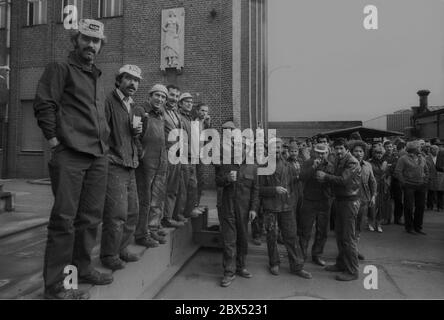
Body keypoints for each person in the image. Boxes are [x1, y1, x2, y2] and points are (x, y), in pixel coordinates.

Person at [34, 19, 112, 299]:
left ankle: (82, 268)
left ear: (101, 45)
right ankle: (56, 286)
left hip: (98, 155)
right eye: (86, 39)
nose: (91, 45)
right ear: (76, 40)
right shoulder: (60, 68)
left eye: (96, 41)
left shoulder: (98, 76)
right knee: (64, 221)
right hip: (71, 155)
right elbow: (44, 103)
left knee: (90, 218)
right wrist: (55, 141)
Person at [100, 65, 143, 271]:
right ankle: (109, 254)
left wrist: (137, 144)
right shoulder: (108, 101)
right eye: (129, 79)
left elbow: (131, 135)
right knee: (116, 214)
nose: (133, 83)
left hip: (130, 164)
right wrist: (108, 156)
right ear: (119, 80)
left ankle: (122, 248)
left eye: (137, 80)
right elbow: (101, 133)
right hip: (114, 164)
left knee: (132, 212)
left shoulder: (132, 105)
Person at [259, 138, 312, 279]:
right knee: (272, 237)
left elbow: (296, 182)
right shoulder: (263, 165)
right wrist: (274, 189)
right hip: (271, 207)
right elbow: (258, 189)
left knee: (291, 236)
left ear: (283, 148)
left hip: (287, 206)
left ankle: (296, 266)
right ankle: (274, 263)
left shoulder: (288, 164)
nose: (277, 150)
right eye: (273, 148)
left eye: (279, 147)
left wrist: (311, 166)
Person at [216, 139, 259, 287]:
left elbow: (255, 190)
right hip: (228, 208)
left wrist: (253, 208)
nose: (240, 150)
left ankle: (241, 267)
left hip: (244, 209)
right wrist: (227, 179)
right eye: (237, 147)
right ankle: (229, 272)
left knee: (243, 239)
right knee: (229, 241)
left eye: (244, 147)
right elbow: (217, 181)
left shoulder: (252, 167)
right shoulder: (226, 164)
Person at [317, 138, 361, 281]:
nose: (339, 151)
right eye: (336, 148)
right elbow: (332, 173)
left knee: (348, 238)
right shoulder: (338, 160)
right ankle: (341, 263)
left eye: (341, 148)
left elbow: (343, 180)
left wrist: (325, 176)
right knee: (340, 235)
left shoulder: (352, 161)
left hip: (350, 202)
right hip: (341, 200)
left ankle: (353, 271)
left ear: (346, 149)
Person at [135, 84, 169, 247]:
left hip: (160, 160)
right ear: (150, 95)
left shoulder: (161, 114)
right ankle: (141, 232)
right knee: (145, 198)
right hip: (146, 161)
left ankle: (153, 228)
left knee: (157, 195)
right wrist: (141, 153)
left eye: (163, 97)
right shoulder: (140, 111)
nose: (160, 99)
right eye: (157, 95)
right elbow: (134, 136)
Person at [298, 143, 334, 266]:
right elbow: (301, 177)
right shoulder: (308, 163)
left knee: (322, 231)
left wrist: (326, 178)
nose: (320, 155)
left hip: (324, 201)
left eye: (323, 153)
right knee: (305, 230)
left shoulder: (331, 165)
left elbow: (334, 183)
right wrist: (313, 167)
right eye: (318, 152)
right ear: (314, 152)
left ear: (327, 153)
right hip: (309, 200)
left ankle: (317, 255)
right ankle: (301, 255)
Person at [176, 93, 202, 219]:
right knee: (184, 186)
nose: (189, 104)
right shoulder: (178, 117)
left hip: (192, 156)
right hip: (183, 156)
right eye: (186, 101)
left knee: (193, 184)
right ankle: (180, 213)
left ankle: (189, 210)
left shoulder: (190, 118)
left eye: (191, 102)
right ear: (180, 103)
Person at [162, 84, 186, 228]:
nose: (174, 99)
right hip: (164, 154)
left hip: (176, 155)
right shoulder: (160, 111)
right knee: (160, 188)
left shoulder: (176, 113)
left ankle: (167, 217)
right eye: (171, 95)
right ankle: (156, 222)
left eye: (177, 96)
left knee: (172, 188)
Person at [395, 140, 429, 235]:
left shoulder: (422, 157)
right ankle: (409, 227)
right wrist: (404, 183)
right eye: (419, 147)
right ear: (413, 149)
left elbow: (426, 170)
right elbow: (398, 172)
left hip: (421, 185)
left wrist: (425, 180)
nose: (420, 148)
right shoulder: (403, 159)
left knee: (420, 206)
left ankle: (418, 227)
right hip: (409, 186)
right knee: (409, 207)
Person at [350, 140, 376, 261]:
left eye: (361, 151)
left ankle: (354, 249)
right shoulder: (348, 164)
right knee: (349, 226)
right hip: (350, 200)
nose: (358, 153)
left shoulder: (368, 165)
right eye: (356, 151)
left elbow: (372, 181)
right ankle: (348, 251)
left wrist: (373, 196)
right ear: (351, 152)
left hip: (364, 200)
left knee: (359, 226)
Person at [368, 145, 391, 233]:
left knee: (381, 206)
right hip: (373, 186)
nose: (379, 155)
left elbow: (388, 175)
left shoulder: (385, 162)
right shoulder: (369, 162)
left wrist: (387, 185)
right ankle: (370, 222)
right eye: (377, 153)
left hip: (382, 186)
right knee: (373, 206)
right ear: (374, 153)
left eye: (381, 153)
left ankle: (379, 224)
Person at [195, 102, 212, 212]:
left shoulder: (205, 124)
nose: (204, 113)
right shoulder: (193, 122)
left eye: (206, 111)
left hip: (200, 155)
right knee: (192, 181)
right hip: (191, 154)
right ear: (197, 111)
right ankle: (191, 205)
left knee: (200, 180)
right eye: (202, 110)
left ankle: (197, 203)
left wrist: (209, 125)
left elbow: (210, 139)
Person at [427, 145, 444, 211]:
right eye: (434, 149)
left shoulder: (440, 157)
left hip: (439, 176)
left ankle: (440, 206)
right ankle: (429, 206)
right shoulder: (427, 157)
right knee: (431, 191)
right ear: (431, 150)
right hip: (431, 176)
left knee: (440, 192)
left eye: (437, 150)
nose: (436, 151)